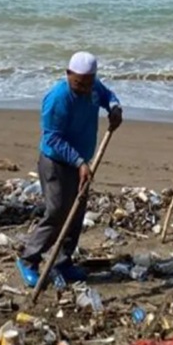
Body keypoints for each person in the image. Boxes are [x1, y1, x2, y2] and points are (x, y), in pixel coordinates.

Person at [16, 51, 123, 287]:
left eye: (87, 83)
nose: (84, 88)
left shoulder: (93, 87)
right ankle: (28, 259)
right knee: (57, 212)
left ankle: (62, 261)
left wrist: (114, 107)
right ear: (68, 75)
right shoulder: (57, 98)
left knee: (76, 214)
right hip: (56, 163)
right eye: (78, 83)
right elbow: (53, 139)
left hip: (82, 162)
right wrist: (78, 162)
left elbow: (108, 95)